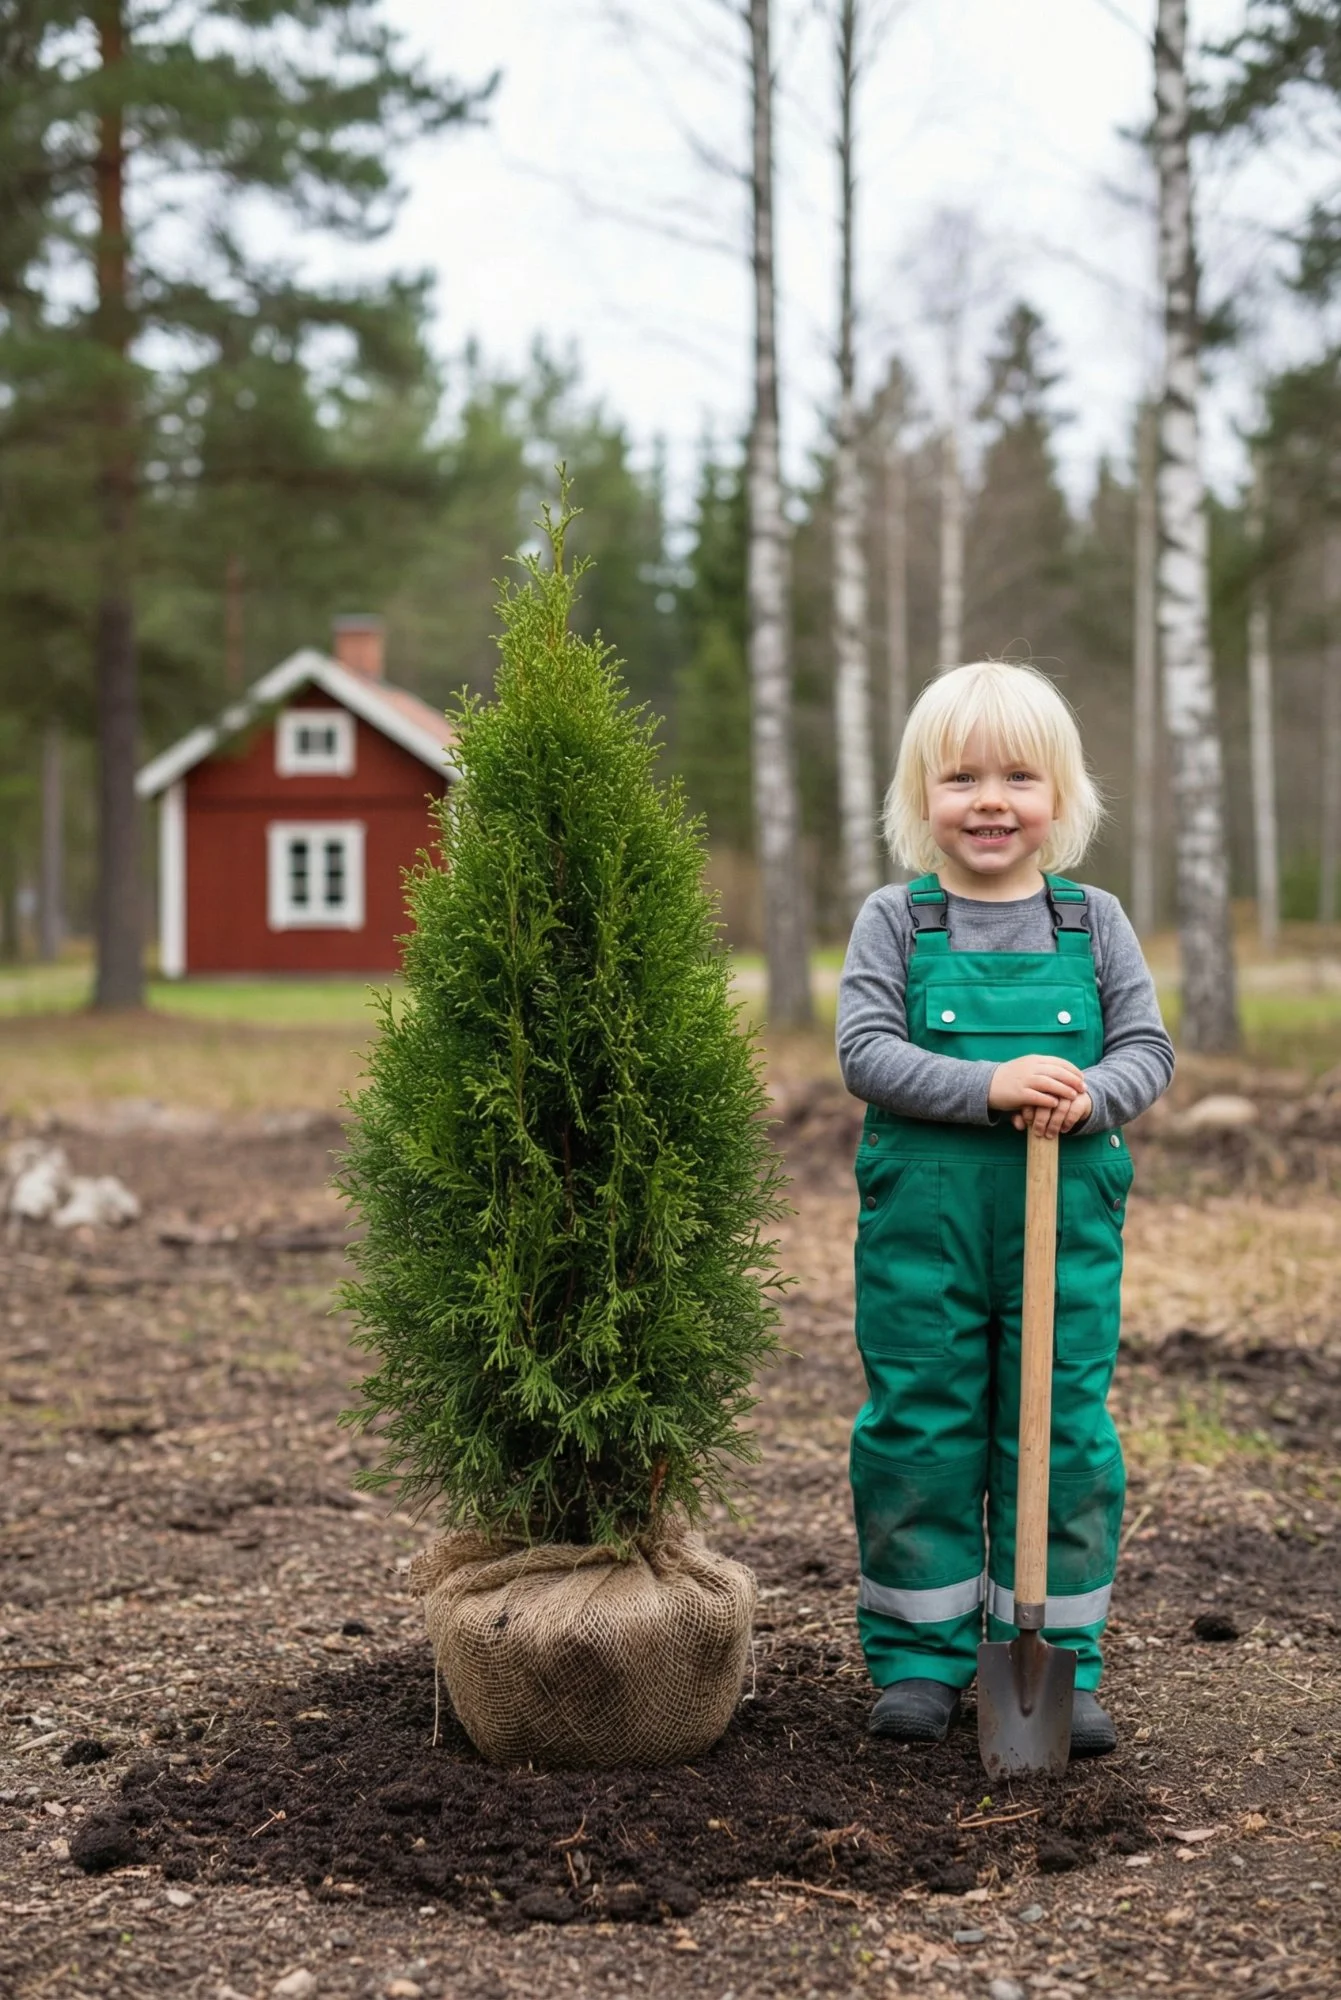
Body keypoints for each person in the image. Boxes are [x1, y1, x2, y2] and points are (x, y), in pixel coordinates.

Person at [837, 660, 1174, 1756]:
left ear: (1060, 796)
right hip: (924, 1235)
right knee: (920, 1427)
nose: (990, 801)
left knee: (1061, 1434)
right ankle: (920, 1658)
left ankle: (1056, 1653)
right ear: (919, 796)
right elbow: (865, 1051)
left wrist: (1092, 1096)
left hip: (1063, 1226)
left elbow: (1147, 1049)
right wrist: (988, 1084)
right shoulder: (896, 921)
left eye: (1018, 777)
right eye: (961, 778)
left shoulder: (1094, 922)